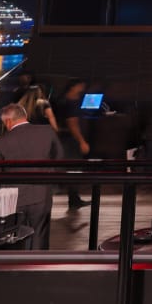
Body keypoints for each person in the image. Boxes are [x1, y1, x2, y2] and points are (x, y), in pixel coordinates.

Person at [0, 103, 61, 248]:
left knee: (12, 239)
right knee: (39, 236)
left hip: (11, 199)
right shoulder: (47, 132)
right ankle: (37, 262)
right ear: (25, 116)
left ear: (8, 121)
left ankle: (16, 261)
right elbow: (59, 158)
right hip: (41, 194)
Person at [51, 80, 91, 211]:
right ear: (73, 87)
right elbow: (72, 123)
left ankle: (74, 198)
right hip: (71, 141)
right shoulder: (71, 103)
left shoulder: (61, 101)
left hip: (62, 138)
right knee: (74, 169)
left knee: (69, 168)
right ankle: (73, 199)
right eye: (81, 85)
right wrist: (81, 141)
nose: (83, 88)